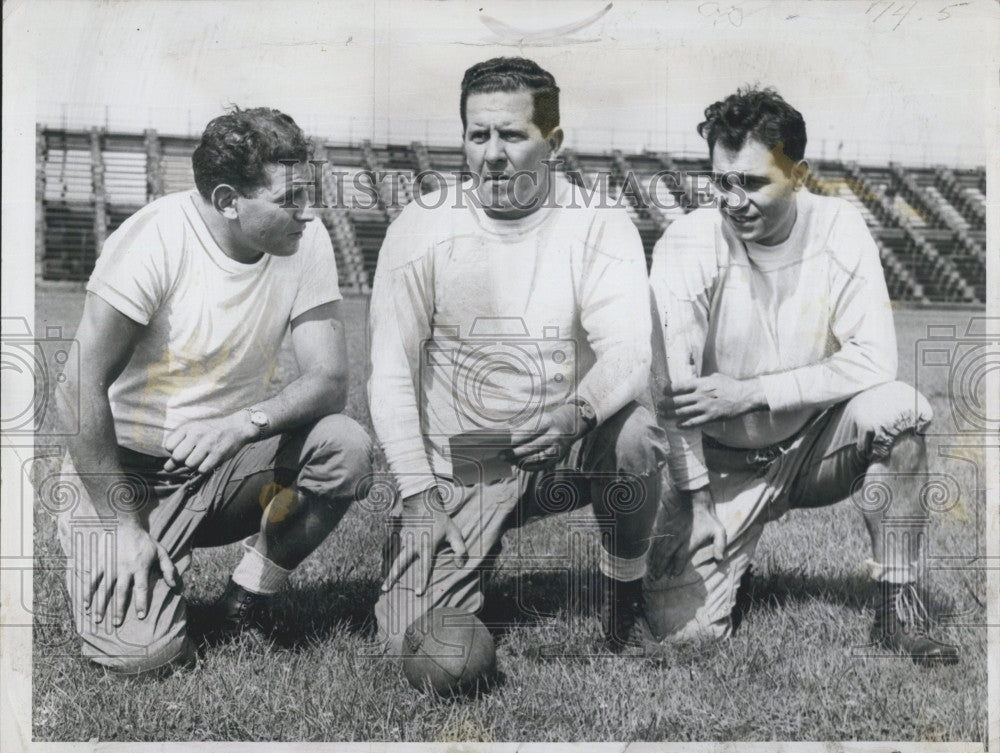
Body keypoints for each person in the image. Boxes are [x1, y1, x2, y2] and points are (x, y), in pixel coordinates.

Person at [53, 107, 374, 676]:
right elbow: (77, 386)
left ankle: (244, 601)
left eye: (311, 195)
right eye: (290, 200)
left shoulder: (307, 241)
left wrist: (240, 424)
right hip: (125, 474)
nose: (309, 212)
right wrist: (120, 524)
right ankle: (126, 553)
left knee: (344, 447)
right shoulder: (154, 238)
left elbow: (329, 379)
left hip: (221, 466)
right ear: (228, 200)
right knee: (143, 655)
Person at [646, 87, 959, 665]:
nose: (734, 201)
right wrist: (698, 503)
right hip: (719, 462)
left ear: (799, 174)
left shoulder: (840, 227)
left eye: (755, 183)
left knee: (901, 412)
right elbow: (672, 395)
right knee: (679, 632)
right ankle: (733, 563)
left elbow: (873, 359)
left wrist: (751, 393)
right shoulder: (688, 242)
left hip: (812, 445)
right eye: (723, 183)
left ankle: (899, 607)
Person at [368, 57, 668, 657]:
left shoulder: (599, 220)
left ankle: (623, 594)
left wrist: (573, 416)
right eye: (478, 135)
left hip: (562, 441)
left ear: (552, 143)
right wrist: (418, 495)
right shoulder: (422, 223)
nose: (492, 154)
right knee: (414, 643)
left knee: (635, 436)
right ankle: (431, 549)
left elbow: (630, 351)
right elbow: (390, 371)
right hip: (467, 458)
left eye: (512, 134)